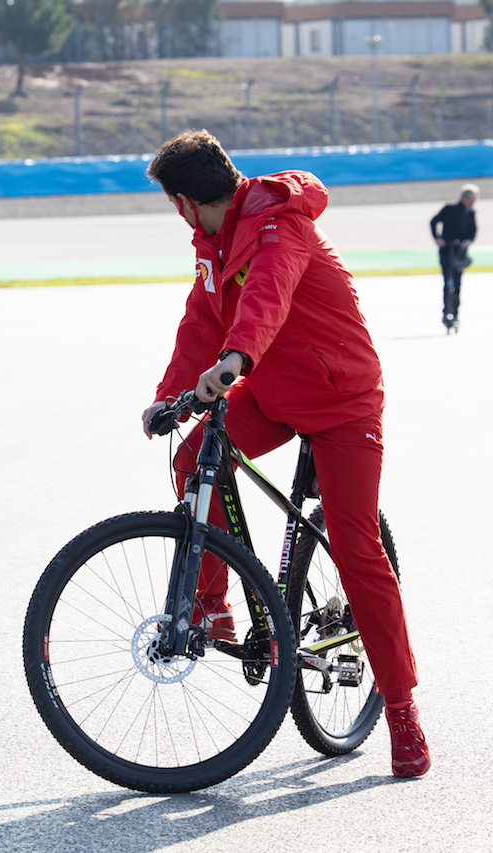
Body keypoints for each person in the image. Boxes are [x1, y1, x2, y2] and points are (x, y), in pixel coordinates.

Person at [141, 130, 428, 778]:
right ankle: (213, 603)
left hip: (342, 398)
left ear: (185, 201)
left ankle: (404, 711)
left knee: (356, 547)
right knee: (192, 461)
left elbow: (269, 293)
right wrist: (168, 397)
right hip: (270, 393)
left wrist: (236, 356)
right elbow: (199, 322)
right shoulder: (212, 244)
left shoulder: (278, 221)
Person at [429, 184, 478, 332]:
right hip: (446, 251)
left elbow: (473, 230)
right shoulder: (450, 209)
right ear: (465, 198)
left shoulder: (470, 213)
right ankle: (446, 312)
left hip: (459, 253)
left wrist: (468, 241)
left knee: (457, 284)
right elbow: (434, 221)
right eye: (471, 199)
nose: (472, 202)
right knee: (447, 283)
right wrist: (438, 238)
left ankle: (455, 313)